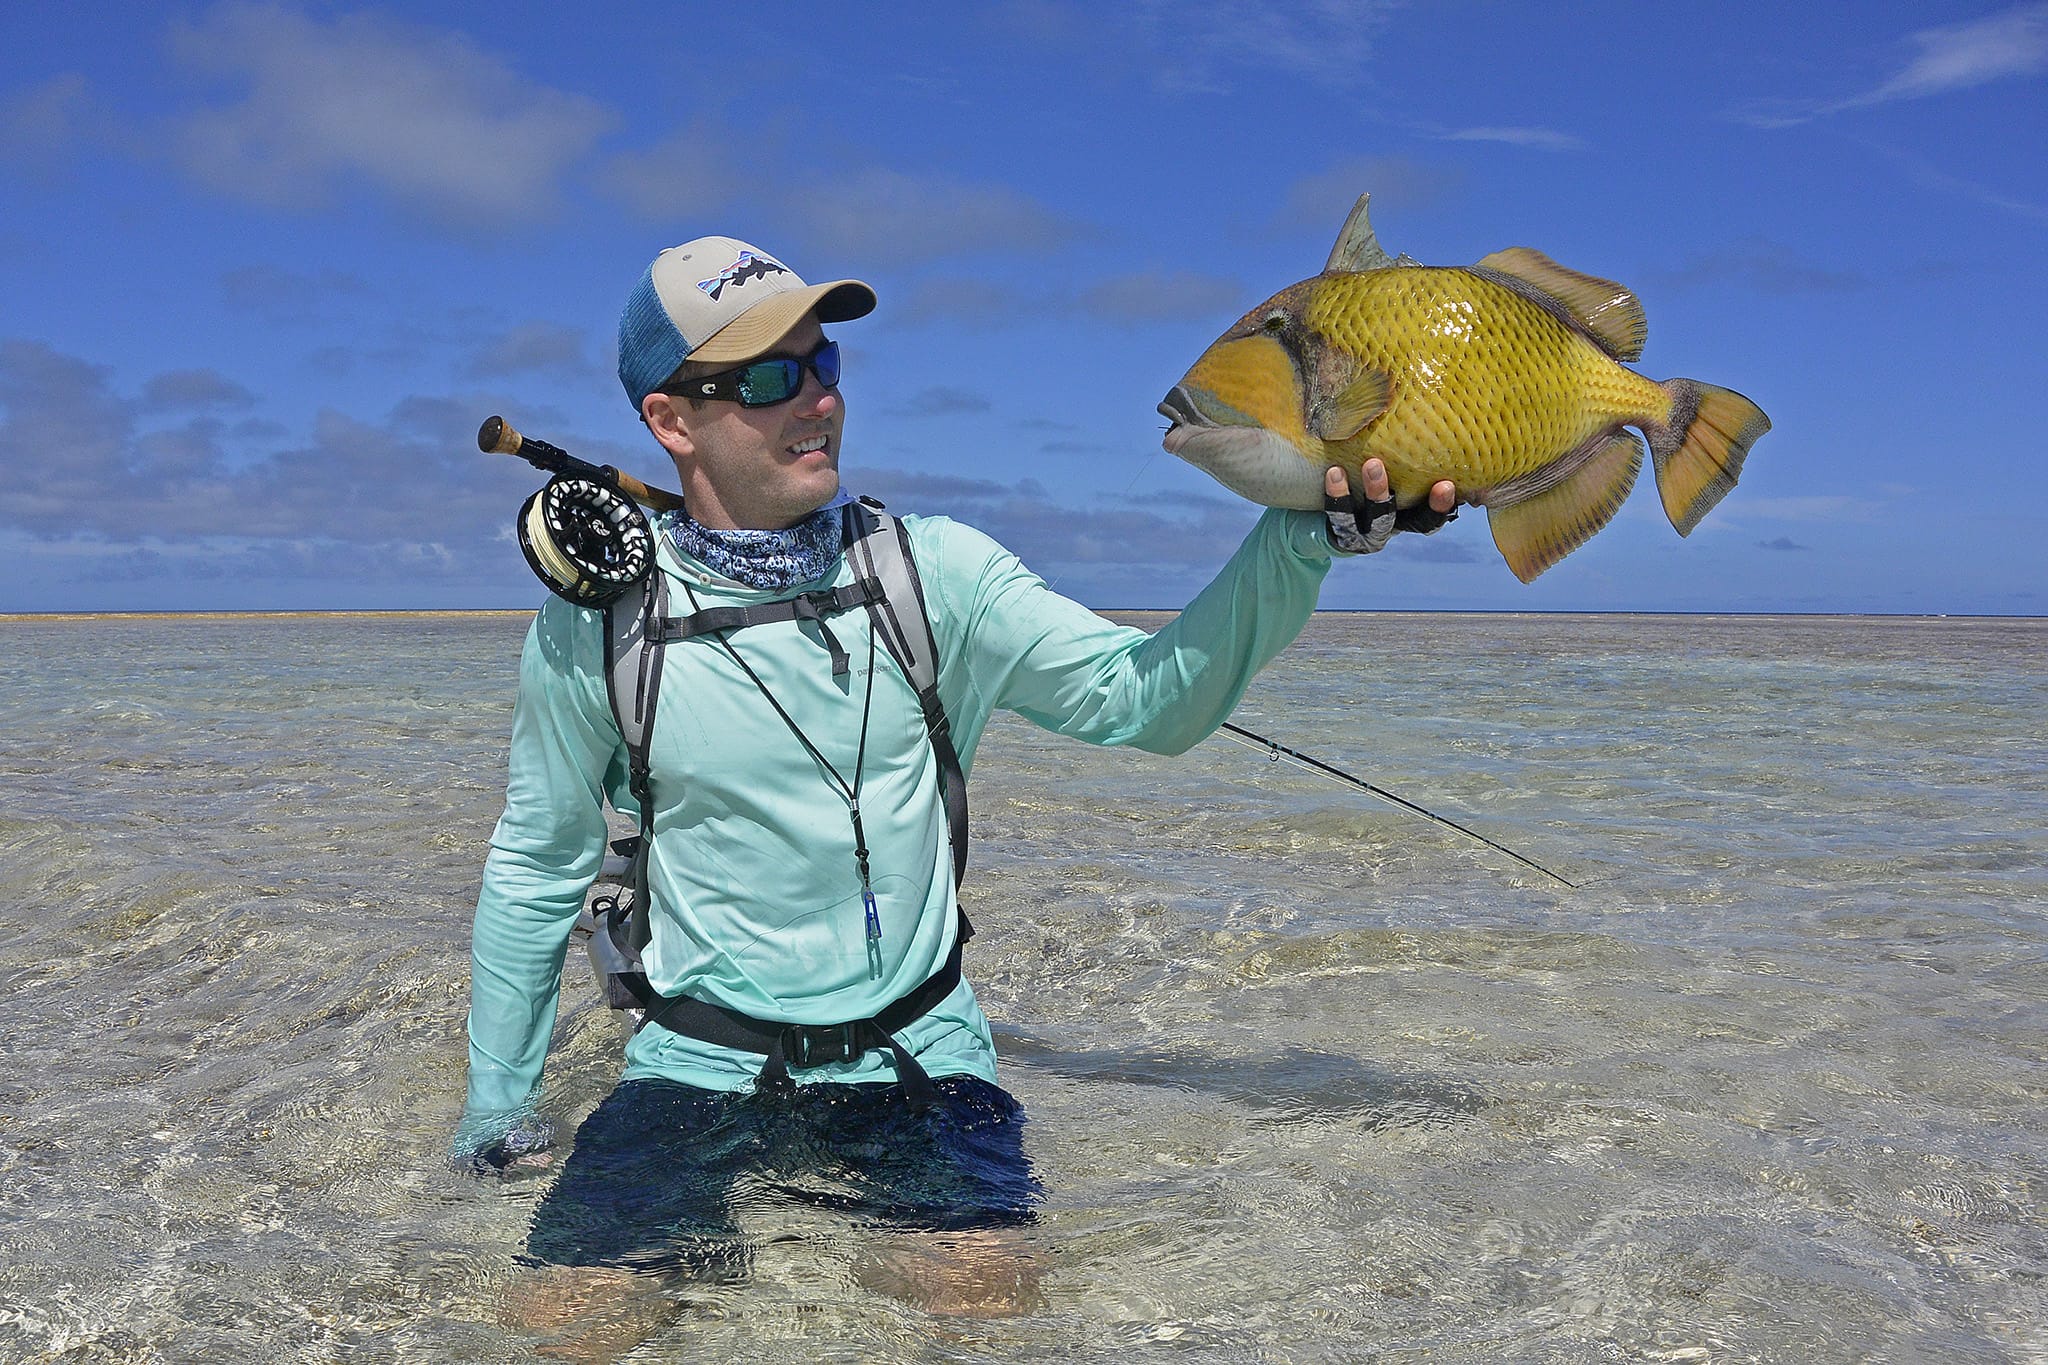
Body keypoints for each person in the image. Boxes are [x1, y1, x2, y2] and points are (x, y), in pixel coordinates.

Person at [453, 236, 1456, 1318]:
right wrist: (494, 1114)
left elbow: (1146, 701)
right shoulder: (597, 627)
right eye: (766, 379)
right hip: (693, 1062)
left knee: (981, 1306)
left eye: (822, 364)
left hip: (916, 1054)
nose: (817, 403)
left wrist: (1299, 536)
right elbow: (535, 865)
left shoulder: (938, 571)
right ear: (668, 420)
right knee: (563, 1323)